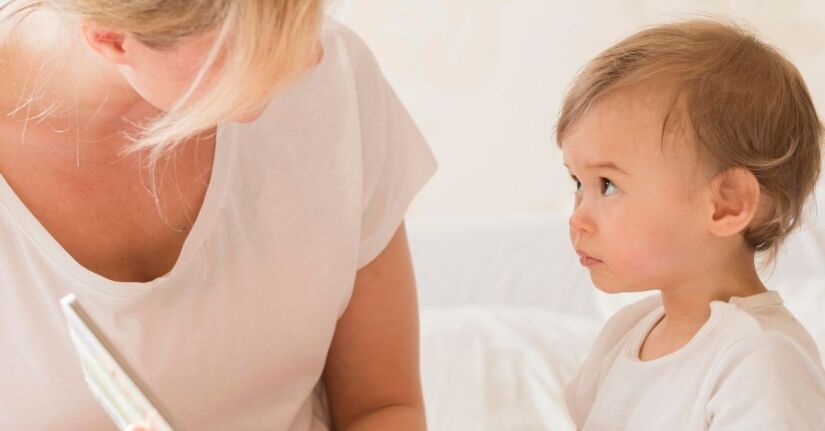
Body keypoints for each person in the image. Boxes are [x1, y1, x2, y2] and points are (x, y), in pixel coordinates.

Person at [0, 1, 436, 430]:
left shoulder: (335, 82)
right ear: (112, 40)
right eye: (255, 43)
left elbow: (382, 406)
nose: (310, 57)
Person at [557, 18, 825, 429]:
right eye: (578, 182)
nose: (578, 218)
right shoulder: (626, 333)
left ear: (725, 205)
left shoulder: (759, 359)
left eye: (608, 185)